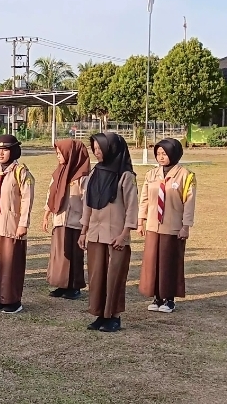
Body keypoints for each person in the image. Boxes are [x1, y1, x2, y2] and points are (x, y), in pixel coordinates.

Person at [79, 132, 138, 333]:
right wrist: (83, 230)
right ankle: (99, 314)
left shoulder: (126, 175)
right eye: (94, 149)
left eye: (100, 148)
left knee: (114, 276)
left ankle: (114, 316)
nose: (96, 152)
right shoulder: (96, 173)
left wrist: (124, 234)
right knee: (96, 276)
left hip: (116, 236)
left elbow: (132, 208)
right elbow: (88, 203)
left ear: (111, 148)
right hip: (95, 234)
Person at [138, 138, 195, 313]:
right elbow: (145, 199)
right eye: (158, 154)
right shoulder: (151, 174)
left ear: (174, 153)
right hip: (154, 226)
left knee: (169, 262)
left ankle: (169, 299)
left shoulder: (186, 175)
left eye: (165, 153)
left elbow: (189, 203)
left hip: (173, 227)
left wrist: (186, 226)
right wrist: (141, 221)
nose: (161, 157)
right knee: (153, 262)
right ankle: (157, 297)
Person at [0, 134, 34, 314]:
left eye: (5, 150)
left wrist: (23, 224)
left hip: (12, 224)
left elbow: (27, 199)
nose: (0, 154)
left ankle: (13, 300)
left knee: (11, 263)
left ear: (13, 151)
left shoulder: (21, 172)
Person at [43, 139, 90, 300]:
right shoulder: (59, 172)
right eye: (56, 153)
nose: (58, 156)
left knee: (74, 255)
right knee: (60, 254)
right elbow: (51, 193)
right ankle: (61, 284)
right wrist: (46, 214)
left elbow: (87, 200)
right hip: (60, 219)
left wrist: (86, 224)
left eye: (60, 153)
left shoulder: (83, 176)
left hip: (76, 222)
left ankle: (74, 286)